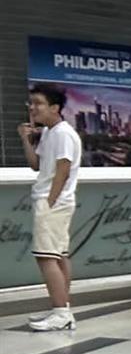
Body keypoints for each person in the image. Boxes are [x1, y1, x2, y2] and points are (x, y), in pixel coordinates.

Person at [17, 83, 82, 332]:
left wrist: (50, 201)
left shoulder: (63, 133)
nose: (33, 108)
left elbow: (63, 169)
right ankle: (62, 309)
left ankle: (61, 312)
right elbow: (36, 165)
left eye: (39, 103)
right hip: (54, 201)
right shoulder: (49, 132)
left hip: (53, 202)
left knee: (46, 257)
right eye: (31, 103)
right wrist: (26, 140)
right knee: (58, 255)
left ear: (55, 108)